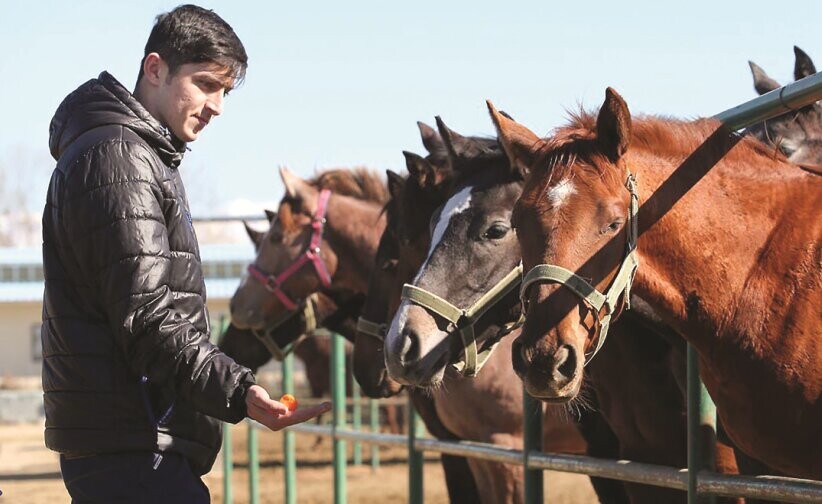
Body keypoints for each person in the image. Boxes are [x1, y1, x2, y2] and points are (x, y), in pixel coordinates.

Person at [42, 5, 330, 502]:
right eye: (205, 84)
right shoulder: (120, 158)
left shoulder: (137, 154)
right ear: (155, 69)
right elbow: (149, 318)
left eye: (225, 91)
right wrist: (239, 391)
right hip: (134, 447)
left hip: (132, 444)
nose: (217, 106)